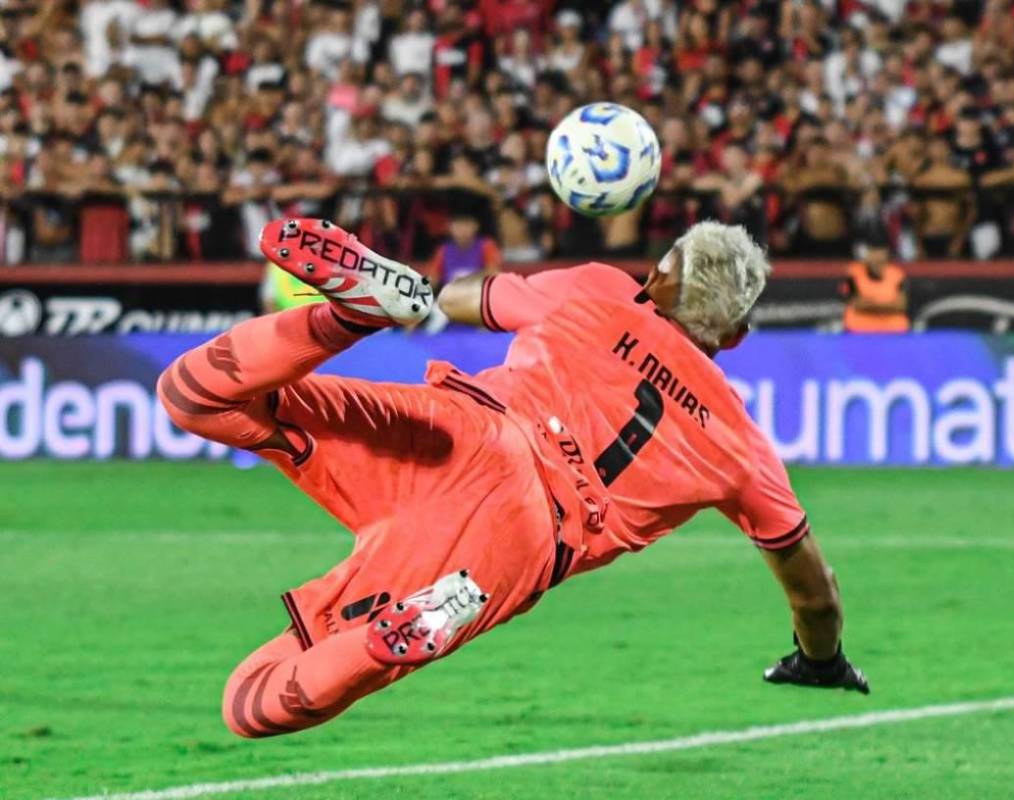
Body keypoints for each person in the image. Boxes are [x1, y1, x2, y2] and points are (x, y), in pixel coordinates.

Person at [156, 217, 868, 739]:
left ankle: (349, 316)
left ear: (656, 277)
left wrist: (473, 291)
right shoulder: (740, 446)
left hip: (457, 431)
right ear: (736, 338)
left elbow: (465, 298)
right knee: (251, 702)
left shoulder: (601, 291)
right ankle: (384, 639)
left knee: (194, 395)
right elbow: (816, 596)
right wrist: (822, 659)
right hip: (517, 539)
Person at [840, 236, 909, 333]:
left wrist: (870, 303)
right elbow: (858, 304)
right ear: (867, 254)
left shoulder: (897, 274)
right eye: (873, 252)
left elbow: (901, 306)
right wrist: (888, 304)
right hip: (860, 330)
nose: (877, 256)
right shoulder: (853, 273)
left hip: (893, 330)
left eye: (880, 252)